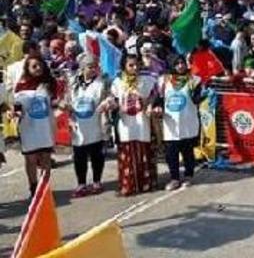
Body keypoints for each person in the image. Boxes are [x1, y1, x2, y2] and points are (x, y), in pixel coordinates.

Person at [110, 54, 158, 196]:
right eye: (131, 65)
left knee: (143, 152)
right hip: (126, 124)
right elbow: (113, 100)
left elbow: (154, 97)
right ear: (124, 66)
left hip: (142, 123)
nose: (135, 68)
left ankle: (146, 184)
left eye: (137, 64)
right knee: (127, 153)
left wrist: (149, 105)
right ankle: (128, 185)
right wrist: (111, 105)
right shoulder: (118, 82)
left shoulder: (148, 80)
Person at [155, 55, 203, 191]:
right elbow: (158, 98)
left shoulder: (194, 80)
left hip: (187, 121)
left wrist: (202, 95)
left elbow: (197, 98)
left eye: (182, 63)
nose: (180, 66)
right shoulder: (163, 81)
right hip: (170, 123)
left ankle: (188, 175)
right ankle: (174, 178)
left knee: (188, 152)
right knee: (171, 153)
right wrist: (157, 106)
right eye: (177, 63)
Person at [65, 55, 109, 198]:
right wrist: (67, 113)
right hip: (78, 125)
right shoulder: (73, 84)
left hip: (95, 124)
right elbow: (67, 102)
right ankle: (81, 183)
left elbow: (108, 97)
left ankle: (97, 181)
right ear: (82, 68)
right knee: (79, 156)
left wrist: (106, 103)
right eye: (90, 67)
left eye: (95, 66)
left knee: (97, 155)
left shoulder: (101, 83)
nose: (93, 69)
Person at [14, 56, 57, 196]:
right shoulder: (21, 85)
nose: (38, 68)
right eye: (34, 66)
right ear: (27, 69)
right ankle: (33, 186)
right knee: (30, 159)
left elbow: (54, 102)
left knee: (46, 157)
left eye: (40, 65)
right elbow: (17, 106)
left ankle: (45, 186)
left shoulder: (49, 83)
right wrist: (17, 114)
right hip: (28, 128)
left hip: (45, 127)